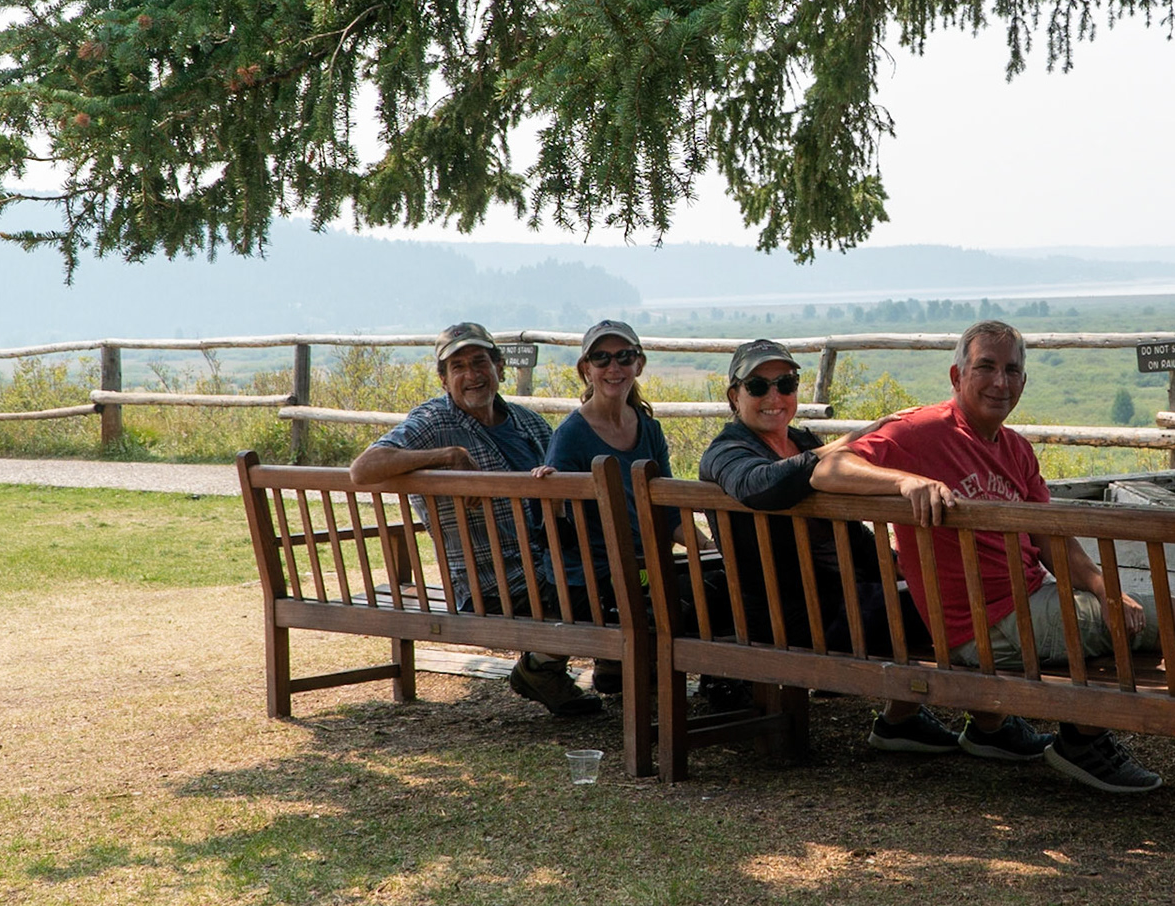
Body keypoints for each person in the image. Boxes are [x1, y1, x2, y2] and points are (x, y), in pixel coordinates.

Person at [818, 319, 1175, 793]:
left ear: (1023, 380)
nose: (1000, 382)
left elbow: (1051, 539)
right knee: (1174, 619)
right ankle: (1081, 740)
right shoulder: (921, 432)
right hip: (982, 626)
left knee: (1165, 627)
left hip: (1031, 603)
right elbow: (827, 469)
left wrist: (1105, 589)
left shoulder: (1016, 448)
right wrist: (904, 481)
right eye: (986, 367)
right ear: (957, 376)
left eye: (1012, 370)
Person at [699, 339, 963, 752]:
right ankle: (983, 722)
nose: (775, 397)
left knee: (947, 592)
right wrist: (845, 443)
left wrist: (893, 563)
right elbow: (759, 485)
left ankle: (907, 718)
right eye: (758, 386)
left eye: (786, 384)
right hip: (790, 615)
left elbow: (846, 532)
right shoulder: (726, 451)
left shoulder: (802, 441)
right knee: (950, 605)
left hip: (837, 602)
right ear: (734, 396)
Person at [348, 322, 600, 718]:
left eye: (480, 362)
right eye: (458, 366)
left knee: (620, 578)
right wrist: (447, 456)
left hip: (547, 565)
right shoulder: (434, 422)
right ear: (443, 379)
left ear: (499, 366)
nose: (472, 375)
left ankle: (576, 667)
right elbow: (363, 468)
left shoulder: (528, 423)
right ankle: (543, 669)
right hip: (491, 583)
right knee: (599, 592)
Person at [541, 320, 695, 697]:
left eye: (624, 357)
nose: (614, 367)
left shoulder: (648, 428)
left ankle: (621, 667)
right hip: (590, 578)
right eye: (601, 358)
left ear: (639, 364)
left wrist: (705, 547)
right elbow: (553, 527)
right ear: (586, 369)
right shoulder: (571, 434)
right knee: (687, 600)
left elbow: (667, 509)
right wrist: (553, 494)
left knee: (713, 584)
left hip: (639, 567)